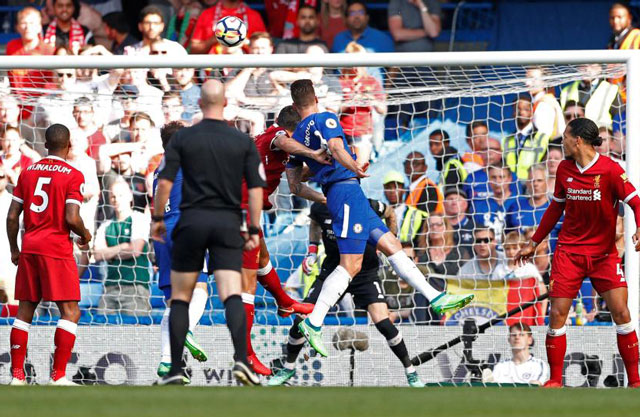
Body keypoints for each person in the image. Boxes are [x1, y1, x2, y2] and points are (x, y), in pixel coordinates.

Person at [285, 79, 473, 357]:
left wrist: (320, 185)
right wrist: (354, 167)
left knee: (392, 245)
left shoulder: (296, 140)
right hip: (345, 191)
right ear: (315, 98)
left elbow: (294, 185)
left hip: (346, 194)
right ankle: (314, 322)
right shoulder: (326, 118)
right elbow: (336, 148)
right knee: (351, 265)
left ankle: (436, 297)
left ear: (294, 105)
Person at [151, 80, 265, 386]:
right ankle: (241, 361)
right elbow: (256, 188)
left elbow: (164, 183)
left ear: (200, 104)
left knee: (180, 297)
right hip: (226, 221)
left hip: (190, 221)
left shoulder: (184, 140)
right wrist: (254, 228)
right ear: (225, 104)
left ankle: (175, 368)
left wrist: (158, 219)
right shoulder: (241, 140)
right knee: (231, 293)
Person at [516, 117, 640, 388]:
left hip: (603, 255)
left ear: (578, 140)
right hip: (569, 254)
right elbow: (555, 208)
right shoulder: (564, 169)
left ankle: (635, 381)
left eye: (565, 137)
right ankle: (555, 380)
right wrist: (534, 242)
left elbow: (636, 202)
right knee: (557, 314)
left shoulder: (610, 169)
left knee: (622, 313)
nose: (562, 141)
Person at [269, 198, 424, 387]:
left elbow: (390, 212)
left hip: (364, 272)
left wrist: (389, 242)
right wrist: (312, 251)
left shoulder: (366, 204)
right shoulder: (320, 207)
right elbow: (315, 222)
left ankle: (411, 371)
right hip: (333, 271)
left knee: (383, 322)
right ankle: (288, 367)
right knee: (302, 318)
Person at [239, 106, 328, 375]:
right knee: (247, 287)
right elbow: (283, 141)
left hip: (246, 211)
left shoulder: (273, 146)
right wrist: (313, 153)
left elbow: (296, 184)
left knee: (263, 258)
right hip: (237, 211)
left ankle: (284, 301)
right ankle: (245, 354)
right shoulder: (276, 136)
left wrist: (325, 196)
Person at [6, 124, 92, 386]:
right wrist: (85, 234)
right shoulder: (73, 175)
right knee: (70, 312)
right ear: (68, 146)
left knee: (24, 312)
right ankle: (58, 376)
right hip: (56, 249)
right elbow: (72, 218)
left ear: (45, 145)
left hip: (30, 247)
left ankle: (17, 376)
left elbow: (12, 217)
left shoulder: (28, 172)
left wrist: (14, 249)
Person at [152, 121, 209, 381]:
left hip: (162, 234)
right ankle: (186, 328)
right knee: (200, 289)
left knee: (173, 301)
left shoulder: (158, 169)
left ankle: (167, 361)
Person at [93, 179, 152, 317]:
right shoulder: (105, 226)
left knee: (135, 327)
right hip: (109, 288)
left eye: (120, 195)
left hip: (135, 287)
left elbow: (135, 250)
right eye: (113, 196)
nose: (116, 199)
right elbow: (97, 255)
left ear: (130, 196)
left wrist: (110, 253)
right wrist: (124, 247)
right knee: (100, 325)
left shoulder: (139, 219)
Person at [6, 7, 54, 120]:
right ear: (17, 27)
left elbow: (52, 84)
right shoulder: (11, 47)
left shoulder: (49, 50)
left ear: (39, 27)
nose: (28, 27)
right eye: (24, 23)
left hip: (41, 109)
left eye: (32, 23)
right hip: (16, 107)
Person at [189, 0, 266, 55]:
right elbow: (193, 50)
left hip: (246, 68)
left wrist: (243, 41)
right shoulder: (207, 14)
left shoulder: (254, 16)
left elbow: (265, 49)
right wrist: (214, 39)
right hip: (213, 69)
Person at [484, 323, 549, 385]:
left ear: (530, 340)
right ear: (509, 340)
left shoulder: (539, 364)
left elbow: (535, 385)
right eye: (514, 335)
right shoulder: (501, 366)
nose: (517, 337)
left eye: (521, 335)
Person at [608, 2, 640, 102]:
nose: (615, 21)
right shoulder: (612, 42)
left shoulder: (637, 35)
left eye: (619, 17)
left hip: (634, 96)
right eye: (612, 18)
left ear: (629, 18)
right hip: (617, 98)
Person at [526, 67, 565, 139]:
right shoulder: (544, 101)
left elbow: (543, 138)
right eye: (526, 79)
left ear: (544, 82)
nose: (527, 83)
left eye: (532, 79)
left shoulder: (544, 105)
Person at [404, 151, 443, 215]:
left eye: (415, 163)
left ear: (425, 167)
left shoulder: (429, 188)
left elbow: (425, 217)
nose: (410, 166)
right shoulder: (411, 189)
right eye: (407, 163)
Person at [443, 187, 474, 260]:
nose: (454, 203)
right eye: (450, 199)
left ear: (465, 204)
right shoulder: (438, 229)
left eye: (458, 200)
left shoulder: (475, 228)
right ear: (444, 204)